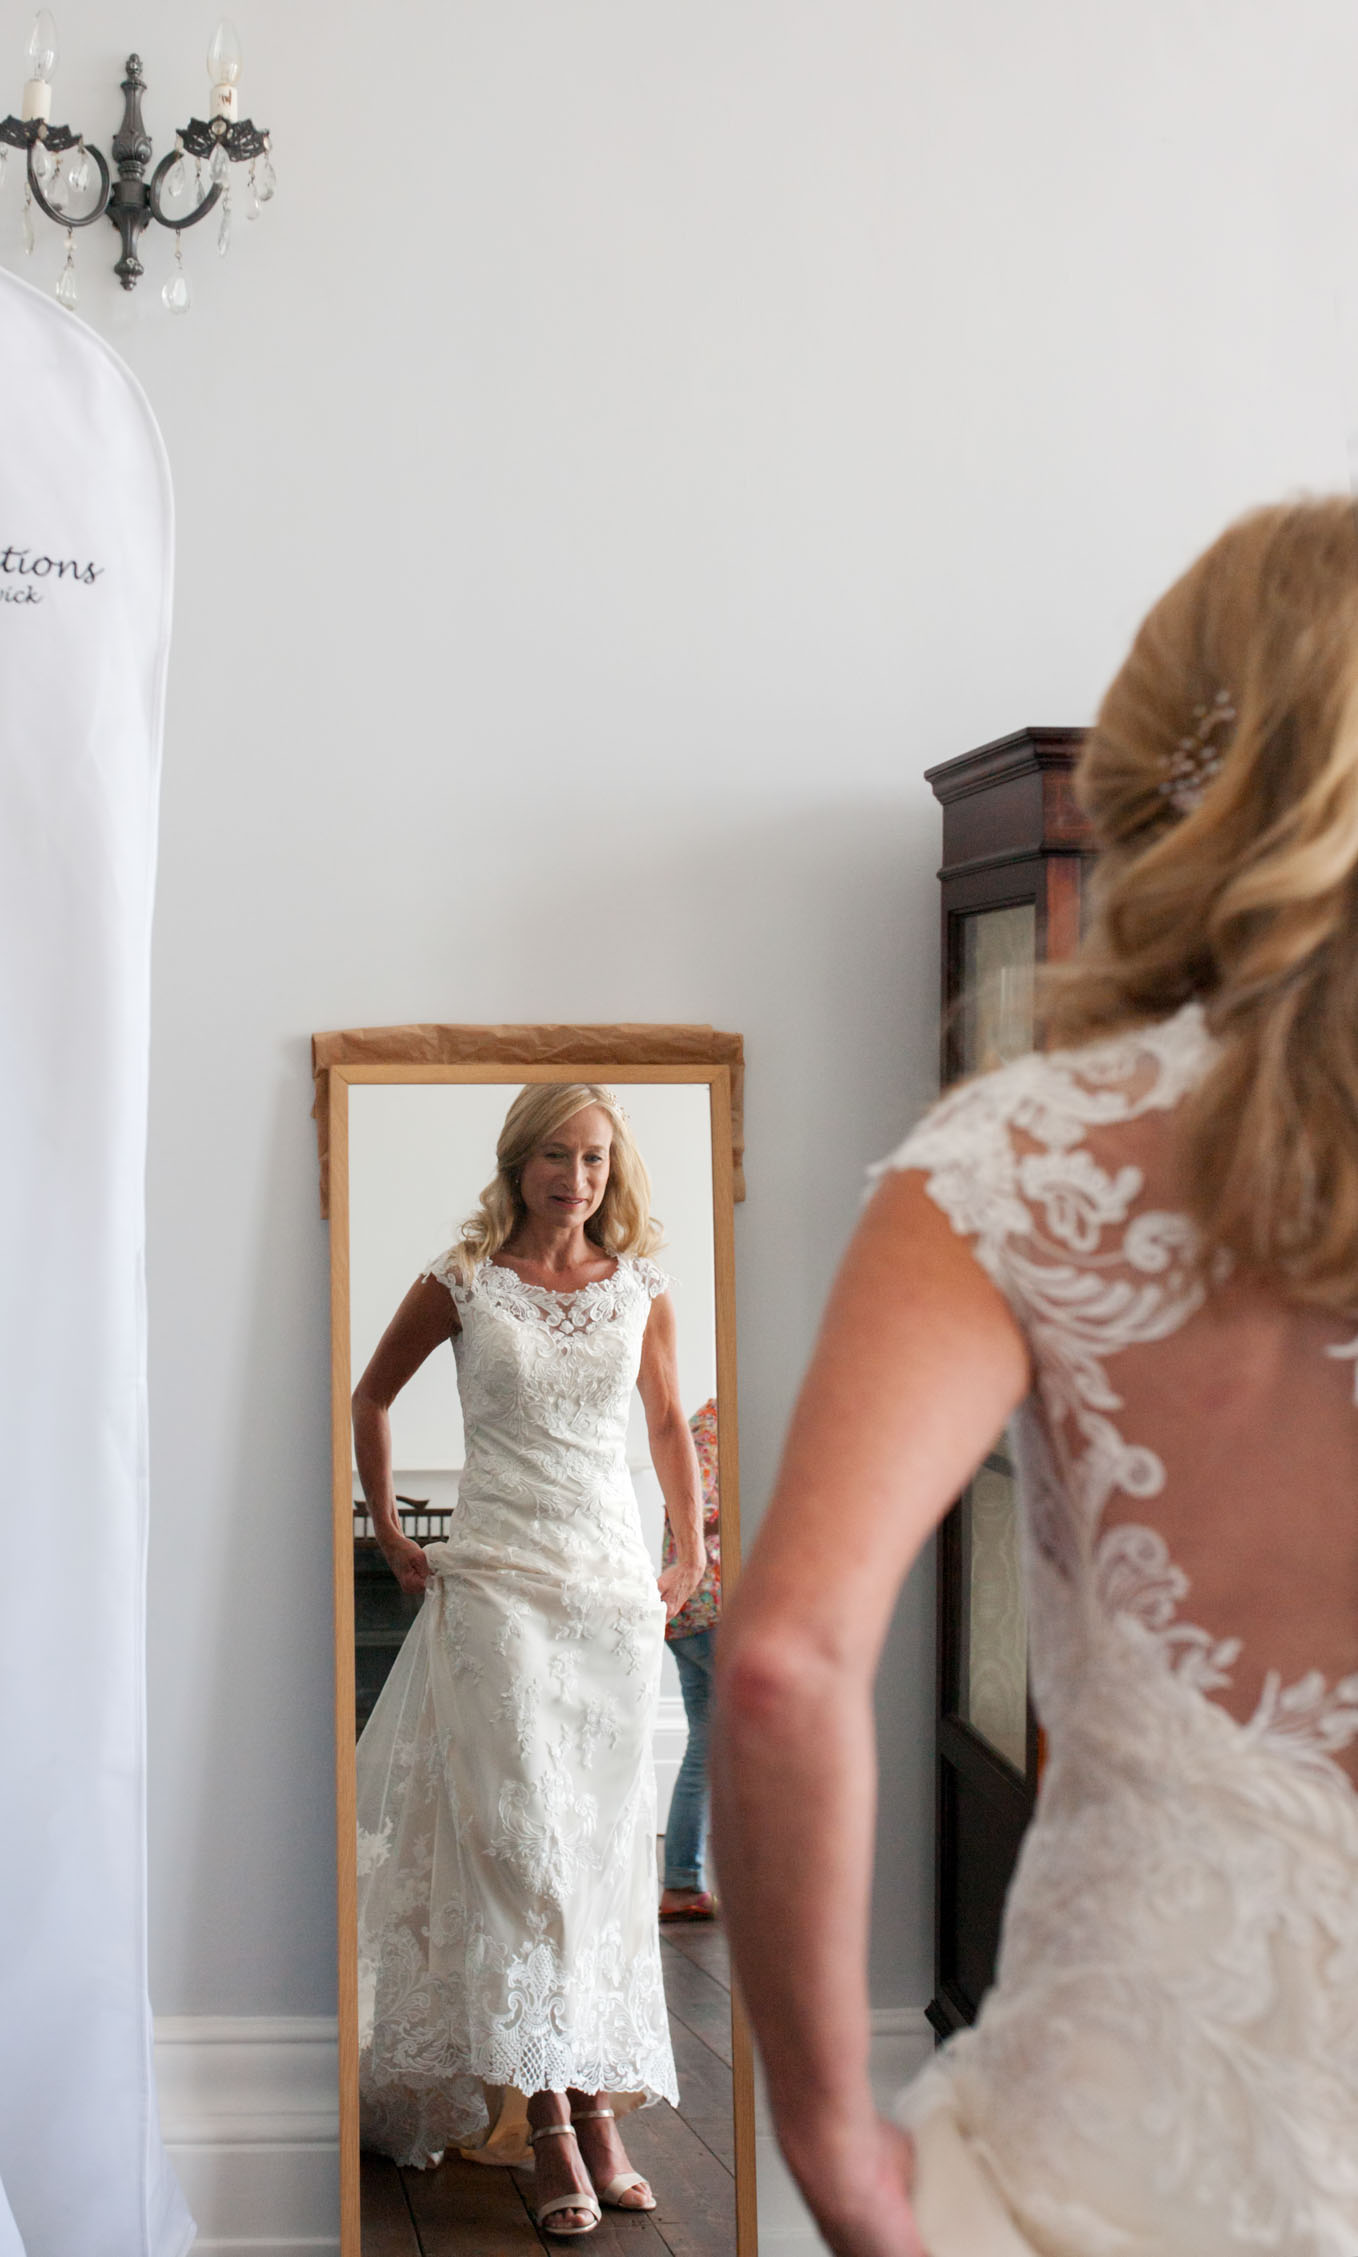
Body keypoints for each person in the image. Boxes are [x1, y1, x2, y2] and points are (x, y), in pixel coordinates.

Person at [713, 498, 1358, 2257]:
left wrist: (832, 2145)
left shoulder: (1023, 1151)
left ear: (1165, 770)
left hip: (1105, 2171)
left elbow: (779, 1666)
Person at [353, 1083, 707, 2239]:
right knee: (522, 1845)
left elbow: (665, 1426)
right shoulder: (462, 1279)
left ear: (616, 1167)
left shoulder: (641, 1286)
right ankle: (548, 2117)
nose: (577, 1177)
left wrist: (691, 1549)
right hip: (498, 1587)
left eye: (596, 1157)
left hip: (609, 1595)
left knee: (602, 1856)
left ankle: (596, 2102)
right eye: (556, 1155)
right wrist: (393, 1529)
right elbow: (370, 1397)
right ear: (519, 1162)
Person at [659, 1398, 721, 1922]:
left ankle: (682, 1884)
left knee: (707, 1745)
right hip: (711, 1609)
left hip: (688, 1614)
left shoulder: (703, 1424)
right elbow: (705, 1515)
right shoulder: (719, 1428)